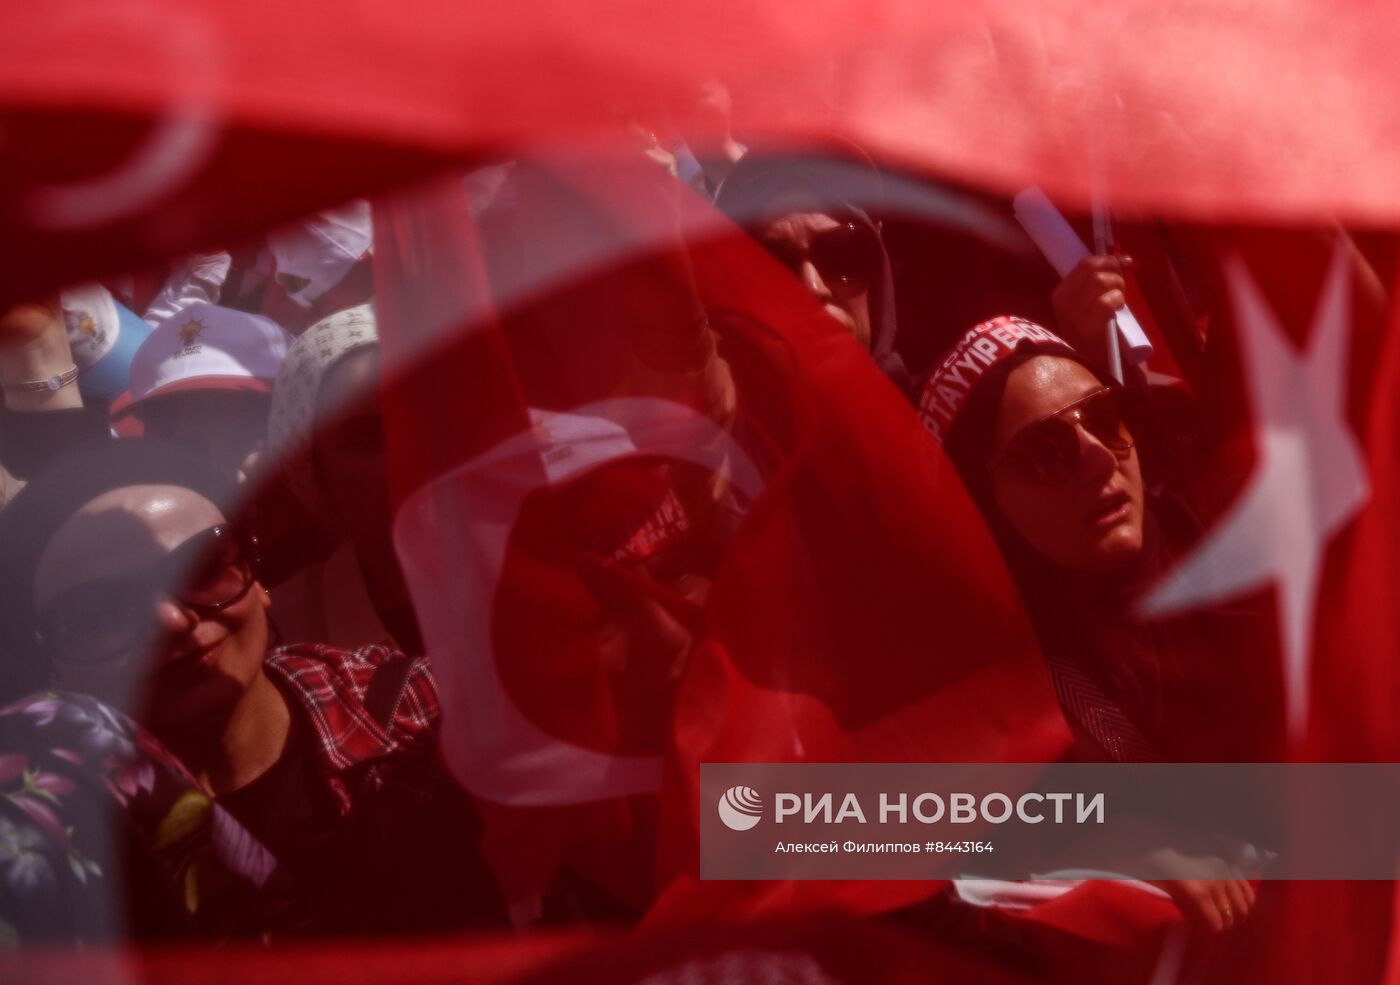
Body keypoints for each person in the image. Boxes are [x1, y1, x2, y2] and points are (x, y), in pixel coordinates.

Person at [0, 439, 504, 935]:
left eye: (201, 566)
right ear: (49, 662)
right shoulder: (55, 842)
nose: (173, 619)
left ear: (258, 577)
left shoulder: (422, 712)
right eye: (101, 612)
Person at [918, 314, 1265, 932]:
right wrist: (1118, 846)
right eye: (1046, 452)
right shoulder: (993, 697)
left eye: (1104, 419)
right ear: (981, 500)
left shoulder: (1241, 546)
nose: (1099, 458)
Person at [713, 149, 914, 396]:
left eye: (841, 254)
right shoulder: (716, 429)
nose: (813, 288)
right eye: (775, 268)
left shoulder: (950, 420)